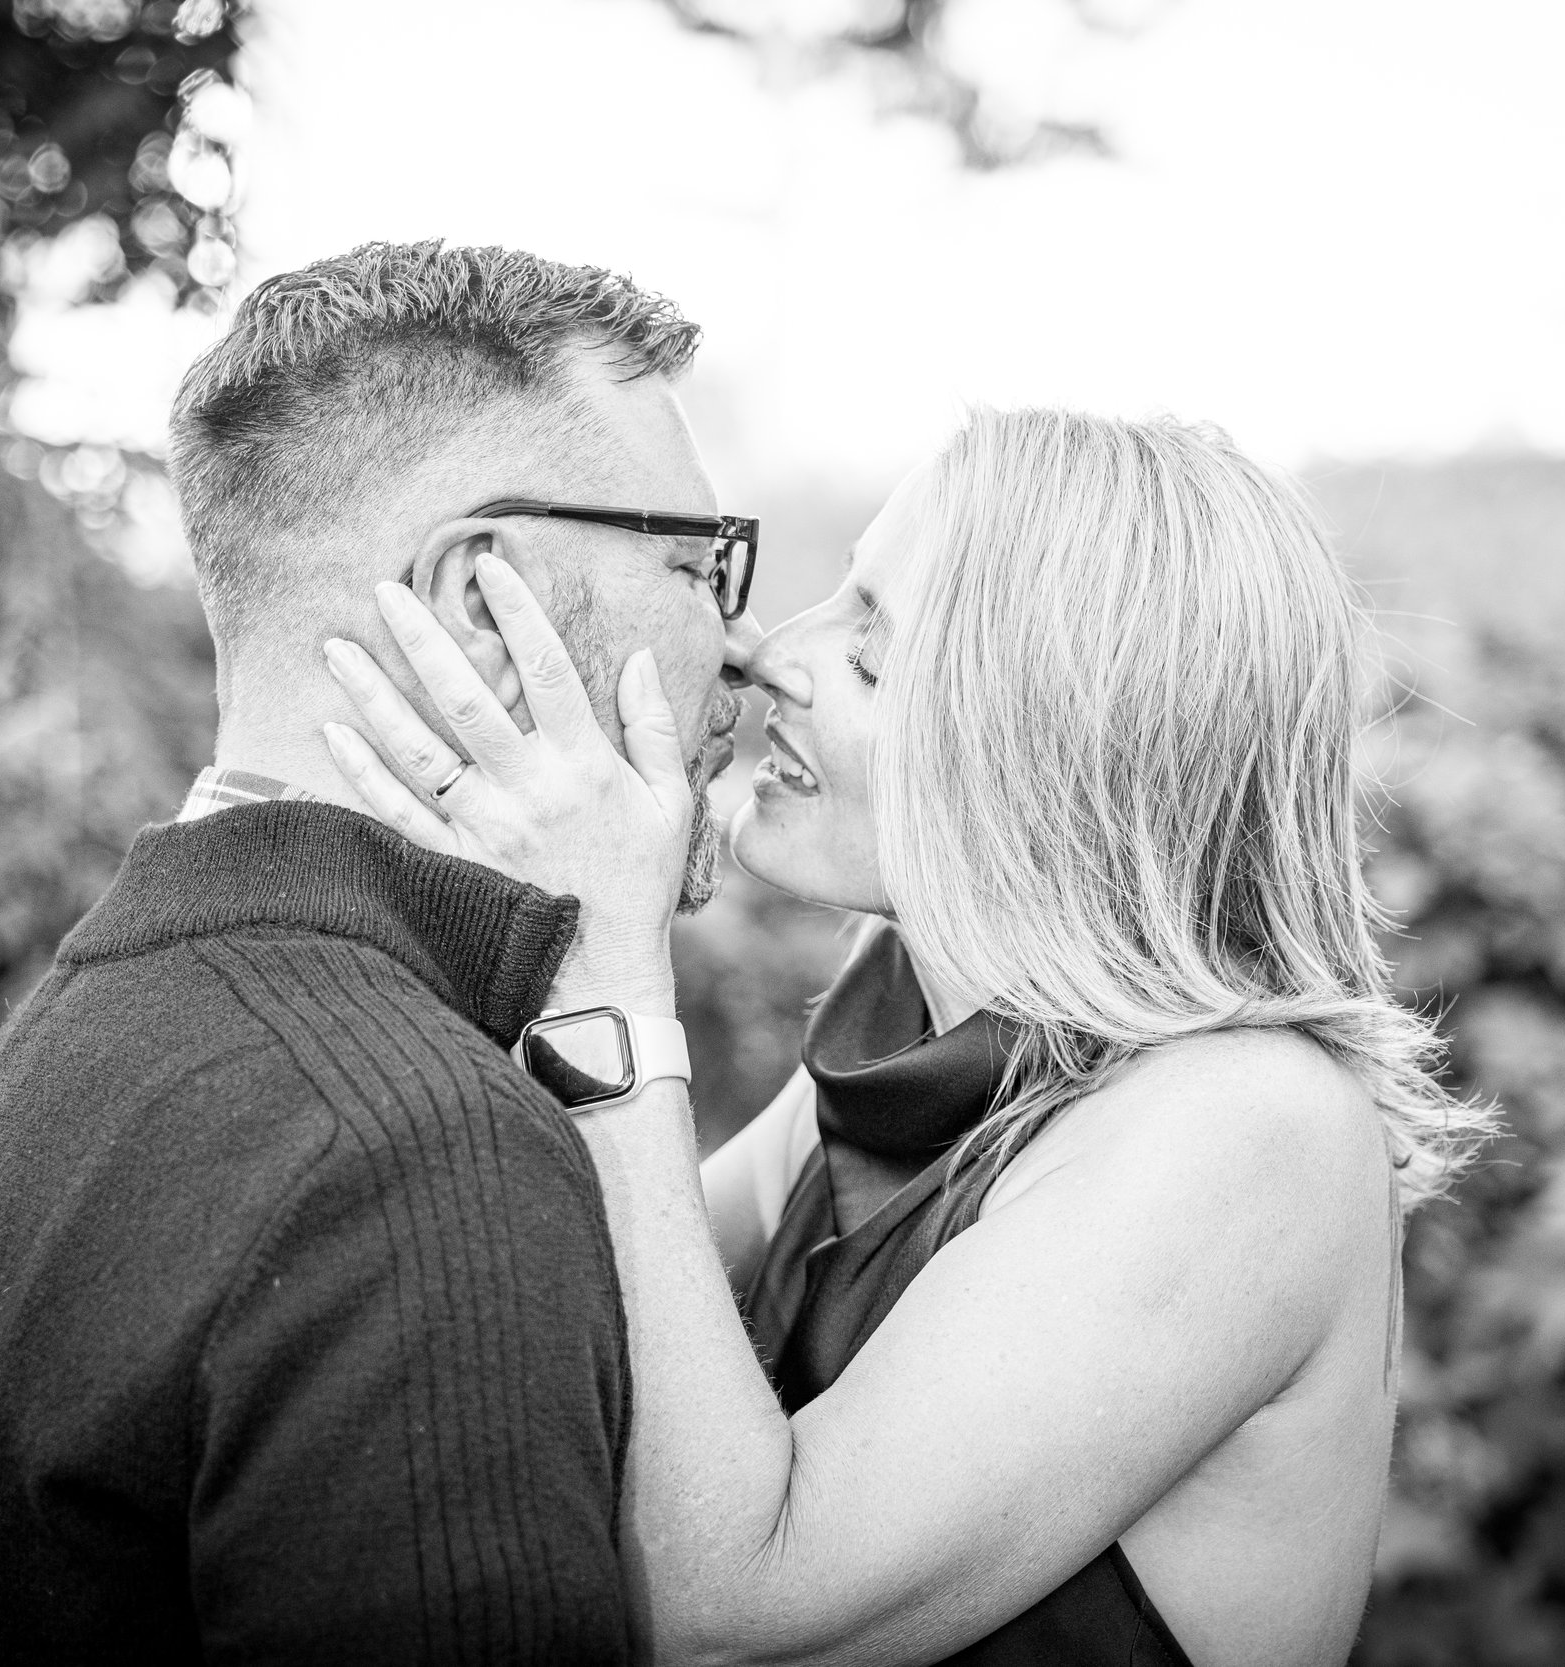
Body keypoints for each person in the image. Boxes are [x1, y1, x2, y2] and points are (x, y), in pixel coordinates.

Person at [321, 407, 1495, 1666]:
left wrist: (607, 974)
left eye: (873, 650)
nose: (774, 653)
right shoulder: (912, 1029)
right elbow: (552, 1312)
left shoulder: (1246, 1124)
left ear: (1048, 749)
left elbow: (725, 1603)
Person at [0, 240, 760, 1663]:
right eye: (699, 567)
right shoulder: (414, 1146)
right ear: (479, 600)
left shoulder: (85, 1025)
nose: (740, 650)